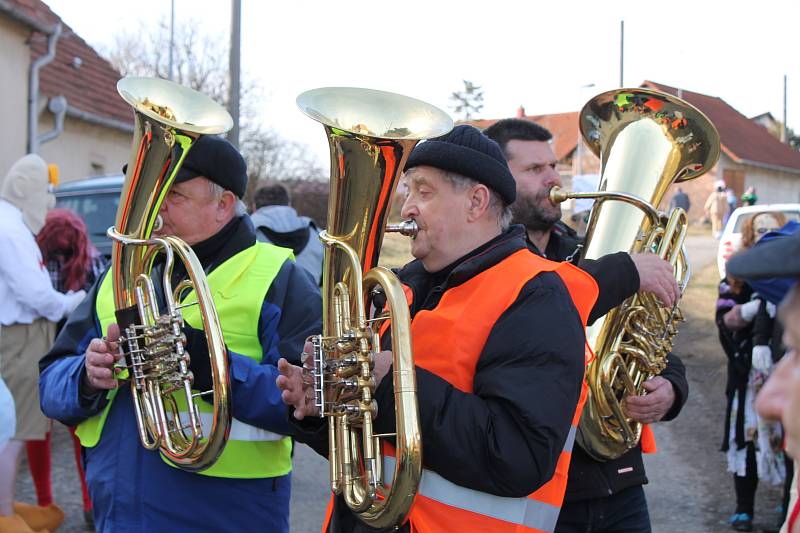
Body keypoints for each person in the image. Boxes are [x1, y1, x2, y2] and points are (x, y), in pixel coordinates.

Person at [279, 125, 599, 533]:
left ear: (476, 202)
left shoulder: (535, 295)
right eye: (407, 191)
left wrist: (392, 384)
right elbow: (378, 446)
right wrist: (321, 412)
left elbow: (519, 456)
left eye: (423, 192)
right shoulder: (405, 288)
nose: (406, 208)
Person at [38, 136, 322, 532]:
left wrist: (210, 366)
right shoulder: (119, 274)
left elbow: (313, 404)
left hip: (227, 517)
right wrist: (87, 378)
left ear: (223, 205)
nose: (155, 206)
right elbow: (50, 381)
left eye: (173, 194)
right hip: (120, 515)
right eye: (149, 192)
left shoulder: (280, 278)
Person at [484, 118, 689, 533]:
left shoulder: (585, 250)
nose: (553, 178)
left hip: (617, 484)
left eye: (553, 165)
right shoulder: (488, 262)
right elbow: (534, 315)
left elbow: (645, 339)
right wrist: (617, 273)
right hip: (542, 494)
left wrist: (670, 388)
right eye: (534, 170)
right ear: (497, 182)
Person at [0, 154, 85, 533]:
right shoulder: (11, 229)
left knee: (14, 426)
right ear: (23, 189)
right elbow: (37, 295)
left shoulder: (10, 225)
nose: (49, 202)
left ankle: (6, 506)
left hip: (21, 334)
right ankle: (4, 514)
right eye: (44, 191)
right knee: (14, 429)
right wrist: (74, 301)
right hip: (20, 335)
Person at [24, 208, 108, 528]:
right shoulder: (94, 260)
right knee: (79, 430)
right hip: (80, 353)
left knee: (38, 432)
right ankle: (88, 502)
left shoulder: (39, 261)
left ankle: (46, 502)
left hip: (42, 349)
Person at [717, 212, 789, 532]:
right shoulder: (738, 279)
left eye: (770, 231)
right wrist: (746, 313)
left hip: (775, 372)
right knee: (746, 438)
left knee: (784, 441)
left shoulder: (786, 279)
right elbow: (723, 321)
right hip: (746, 373)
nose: (763, 235)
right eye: (759, 229)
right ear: (749, 233)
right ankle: (744, 508)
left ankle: (788, 505)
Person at [250, 182, 324, 285]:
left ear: (254, 206)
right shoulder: (320, 236)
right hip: (310, 299)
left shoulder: (244, 233)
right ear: (289, 204)